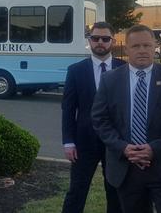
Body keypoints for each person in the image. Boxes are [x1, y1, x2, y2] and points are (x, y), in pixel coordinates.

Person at [92, 24, 161, 213]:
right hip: (127, 170)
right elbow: (100, 119)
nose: (142, 50)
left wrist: (154, 149)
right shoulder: (109, 80)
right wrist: (124, 148)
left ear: (154, 47)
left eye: (147, 45)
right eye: (136, 46)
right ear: (126, 49)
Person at [61, 21, 124, 213]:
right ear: (90, 40)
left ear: (112, 41)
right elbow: (69, 108)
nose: (100, 42)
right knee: (77, 190)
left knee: (115, 190)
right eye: (96, 38)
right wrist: (68, 142)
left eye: (105, 39)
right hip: (84, 142)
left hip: (115, 141)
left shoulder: (125, 69)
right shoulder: (76, 70)